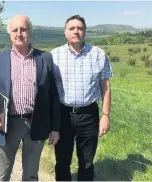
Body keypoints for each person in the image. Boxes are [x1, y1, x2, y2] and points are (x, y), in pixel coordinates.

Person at [0, 14, 60, 181]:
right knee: (1, 176)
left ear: (30, 32)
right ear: (9, 33)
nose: (19, 33)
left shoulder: (45, 58)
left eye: (23, 29)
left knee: (31, 175)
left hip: (37, 123)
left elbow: (53, 95)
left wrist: (55, 128)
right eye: (15, 30)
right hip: (7, 123)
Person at [51, 15, 113, 181]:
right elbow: (48, 90)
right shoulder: (54, 56)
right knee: (62, 161)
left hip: (89, 115)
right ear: (65, 32)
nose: (76, 31)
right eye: (72, 28)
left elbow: (105, 87)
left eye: (80, 28)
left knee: (86, 161)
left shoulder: (98, 54)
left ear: (85, 32)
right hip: (63, 115)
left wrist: (105, 116)